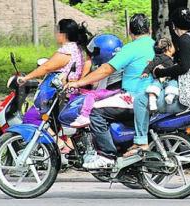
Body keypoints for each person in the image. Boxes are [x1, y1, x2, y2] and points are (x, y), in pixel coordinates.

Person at [65, 13, 155, 169]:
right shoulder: (155, 45)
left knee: (95, 112)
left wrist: (79, 82)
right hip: (153, 97)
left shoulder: (132, 48)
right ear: (149, 29)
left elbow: (106, 69)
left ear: (130, 31)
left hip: (133, 97)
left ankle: (106, 155)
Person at [129, 7, 190, 157]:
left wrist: (160, 72)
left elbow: (183, 67)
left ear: (174, 26)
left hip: (187, 96)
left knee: (141, 101)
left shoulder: (184, 39)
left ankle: (141, 141)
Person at [17, 19, 91, 154]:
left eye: (57, 31)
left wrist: (26, 78)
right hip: (69, 92)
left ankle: (59, 144)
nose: (55, 34)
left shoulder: (66, 51)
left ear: (63, 34)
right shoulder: (77, 48)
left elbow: (46, 67)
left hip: (60, 95)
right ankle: (63, 145)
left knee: (31, 117)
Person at [142, 37, 177, 111]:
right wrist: (146, 72)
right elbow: (151, 65)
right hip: (162, 79)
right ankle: (154, 101)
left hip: (165, 80)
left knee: (171, 84)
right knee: (156, 86)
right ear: (168, 48)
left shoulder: (170, 58)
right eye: (173, 45)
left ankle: (168, 97)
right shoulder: (159, 58)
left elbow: (150, 65)